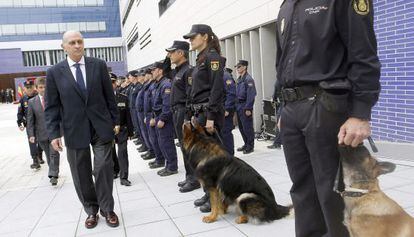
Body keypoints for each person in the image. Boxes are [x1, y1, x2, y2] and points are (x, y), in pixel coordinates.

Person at [276, 0, 381, 236]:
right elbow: (281, 62)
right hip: (293, 108)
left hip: (326, 106)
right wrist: (284, 106)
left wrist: (360, 113)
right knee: (302, 190)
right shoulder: (287, 4)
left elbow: (364, 54)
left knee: (332, 192)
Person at [44, 31, 120, 229]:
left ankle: (107, 209)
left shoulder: (99, 65)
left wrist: (115, 120)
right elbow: (51, 106)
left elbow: (109, 97)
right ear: (64, 47)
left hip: (100, 126)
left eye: (80, 41)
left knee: (103, 167)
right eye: (72, 42)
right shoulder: (54, 72)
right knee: (80, 172)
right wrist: (53, 134)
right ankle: (91, 210)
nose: (77, 45)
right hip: (74, 129)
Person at [183, 24, 226, 213]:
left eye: (193, 37)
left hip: (209, 114)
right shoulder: (201, 58)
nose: (190, 41)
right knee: (204, 159)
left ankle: (218, 198)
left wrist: (210, 117)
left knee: (213, 160)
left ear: (205, 37)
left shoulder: (213, 58)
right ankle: (209, 194)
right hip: (199, 113)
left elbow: (216, 89)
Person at [166, 40, 201, 191]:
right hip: (176, 112)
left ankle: (194, 179)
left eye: (172, 52)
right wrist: (167, 58)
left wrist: (187, 117)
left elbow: (190, 96)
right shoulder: (177, 71)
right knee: (184, 147)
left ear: (181, 53)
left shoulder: (189, 71)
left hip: (183, 111)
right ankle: (189, 176)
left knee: (189, 147)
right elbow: (164, 69)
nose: (169, 55)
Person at [27, 77, 60, 185]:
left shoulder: (53, 99)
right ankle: (53, 170)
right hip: (41, 134)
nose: (43, 89)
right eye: (40, 87)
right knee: (48, 154)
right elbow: (30, 120)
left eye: (45, 87)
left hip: (54, 132)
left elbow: (59, 115)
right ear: (36, 88)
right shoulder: (32, 102)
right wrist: (31, 135)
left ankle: (53, 174)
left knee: (54, 153)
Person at [150, 61, 178, 176]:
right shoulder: (157, 84)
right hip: (158, 117)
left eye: (153, 70)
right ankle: (168, 165)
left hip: (164, 118)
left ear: (160, 71)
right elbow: (155, 103)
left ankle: (172, 167)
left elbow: (167, 105)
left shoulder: (166, 84)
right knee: (162, 142)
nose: (152, 72)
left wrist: (163, 118)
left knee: (167, 142)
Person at [110, 73, 133, 186]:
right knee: (111, 152)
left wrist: (131, 131)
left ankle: (124, 177)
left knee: (122, 152)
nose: (111, 85)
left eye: (113, 83)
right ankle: (115, 170)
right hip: (108, 130)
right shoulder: (100, 99)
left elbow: (128, 115)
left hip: (122, 129)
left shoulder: (123, 98)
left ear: (116, 84)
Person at [17, 80, 44, 169]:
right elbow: (20, 113)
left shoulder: (38, 97)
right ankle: (35, 160)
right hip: (29, 125)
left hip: (40, 123)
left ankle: (39, 155)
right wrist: (20, 123)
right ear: (24, 89)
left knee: (41, 140)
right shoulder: (23, 99)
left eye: (30, 87)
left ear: (34, 87)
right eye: (27, 88)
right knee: (32, 142)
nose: (29, 89)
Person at [235, 60, 257, 154]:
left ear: (244, 67)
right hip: (238, 105)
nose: (237, 68)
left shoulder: (248, 79)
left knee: (247, 127)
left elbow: (251, 95)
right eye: (237, 67)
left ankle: (250, 146)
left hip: (245, 105)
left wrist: (248, 108)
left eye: (239, 67)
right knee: (241, 127)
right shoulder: (240, 79)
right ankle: (246, 143)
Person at [137, 69, 156, 160]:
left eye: (144, 75)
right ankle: (150, 149)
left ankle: (154, 152)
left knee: (152, 135)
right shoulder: (146, 85)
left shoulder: (152, 85)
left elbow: (153, 102)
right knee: (146, 133)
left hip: (150, 113)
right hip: (144, 112)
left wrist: (151, 115)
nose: (142, 77)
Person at [222, 67, 237, 155]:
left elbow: (231, 93)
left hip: (226, 110)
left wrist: (227, 108)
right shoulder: (217, 75)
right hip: (219, 110)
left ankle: (230, 156)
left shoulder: (226, 76)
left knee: (226, 133)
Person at [127, 70, 143, 146]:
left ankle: (142, 140)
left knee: (140, 125)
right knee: (136, 124)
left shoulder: (138, 86)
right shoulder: (132, 86)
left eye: (130, 76)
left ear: (134, 76)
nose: (129, 78)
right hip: (132, 108)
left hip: (137, 109)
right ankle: (140, 138)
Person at [268, 81, 282, 149]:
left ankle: (277, 143)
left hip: (284, 104)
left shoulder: (280, 79)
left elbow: (276, 88)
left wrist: (273, 99)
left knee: (279, 124)